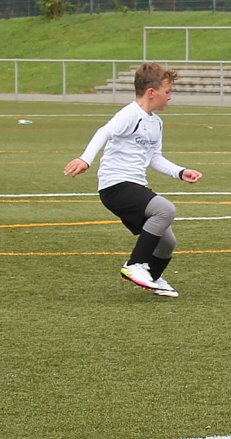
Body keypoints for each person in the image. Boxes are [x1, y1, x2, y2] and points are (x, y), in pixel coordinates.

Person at [64, 62, 202, 297]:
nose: (170, 97)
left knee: (167, 242)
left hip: (134, 186)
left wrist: (180, 171)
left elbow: (154, 157)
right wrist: (86, 159)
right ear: (151, 92)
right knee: (166, 210)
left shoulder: (156, 123)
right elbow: (104, 132)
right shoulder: (130, 114)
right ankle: (134, 265)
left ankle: (153, 279)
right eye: (167, 92)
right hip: (115, 185)